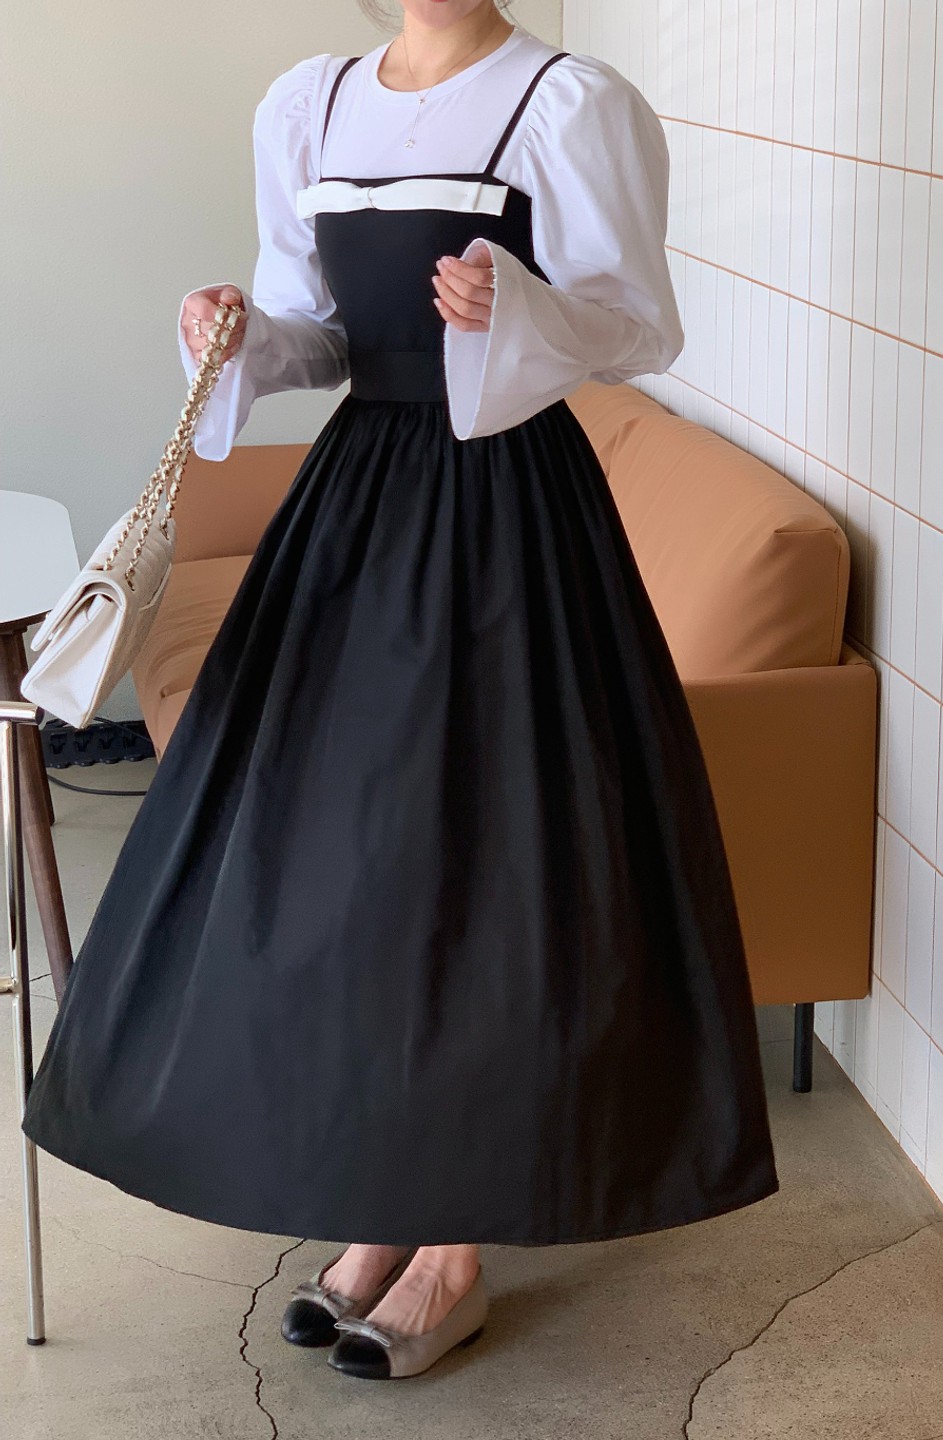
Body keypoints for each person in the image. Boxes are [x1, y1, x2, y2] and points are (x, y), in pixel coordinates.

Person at [22, 0, 778, 1382]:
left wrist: (520, 308)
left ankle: (454, 1248)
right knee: (347, 867)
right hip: (358, 507)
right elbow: (316, 335)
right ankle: (384, 1200)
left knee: (478, 866)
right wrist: (233, 332)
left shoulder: (568, 102)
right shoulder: (307, 105)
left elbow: (639, 325)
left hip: (512, 521)